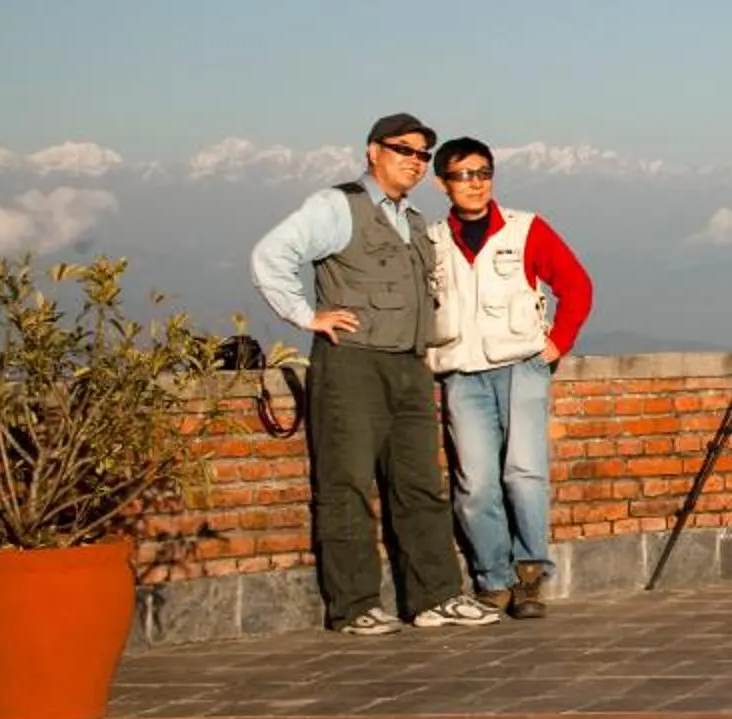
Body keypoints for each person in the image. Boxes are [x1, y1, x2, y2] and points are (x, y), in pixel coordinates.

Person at [250, 114, 502, 636]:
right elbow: (272, 256)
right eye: (403, 150)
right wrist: (306, 316)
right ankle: (354, 605)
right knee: (345, 484)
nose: (415, 160)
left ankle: (435, 597)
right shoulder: (337, 206)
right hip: (352, 363)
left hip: (408, 364)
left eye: (423, 154)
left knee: (420, 485)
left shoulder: (412, 220)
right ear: (373, 151)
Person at [426, 137, 594, 620]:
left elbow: (576, 285)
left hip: (521, 365)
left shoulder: (527, 229)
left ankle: (529, 576)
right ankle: (492, 578)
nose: (474, 184)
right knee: (475, 482)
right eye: (462, 175)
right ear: (443, 183)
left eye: (482, 173)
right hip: (462, 371)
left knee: (523, 474)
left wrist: (559, 342)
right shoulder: (431, 239)